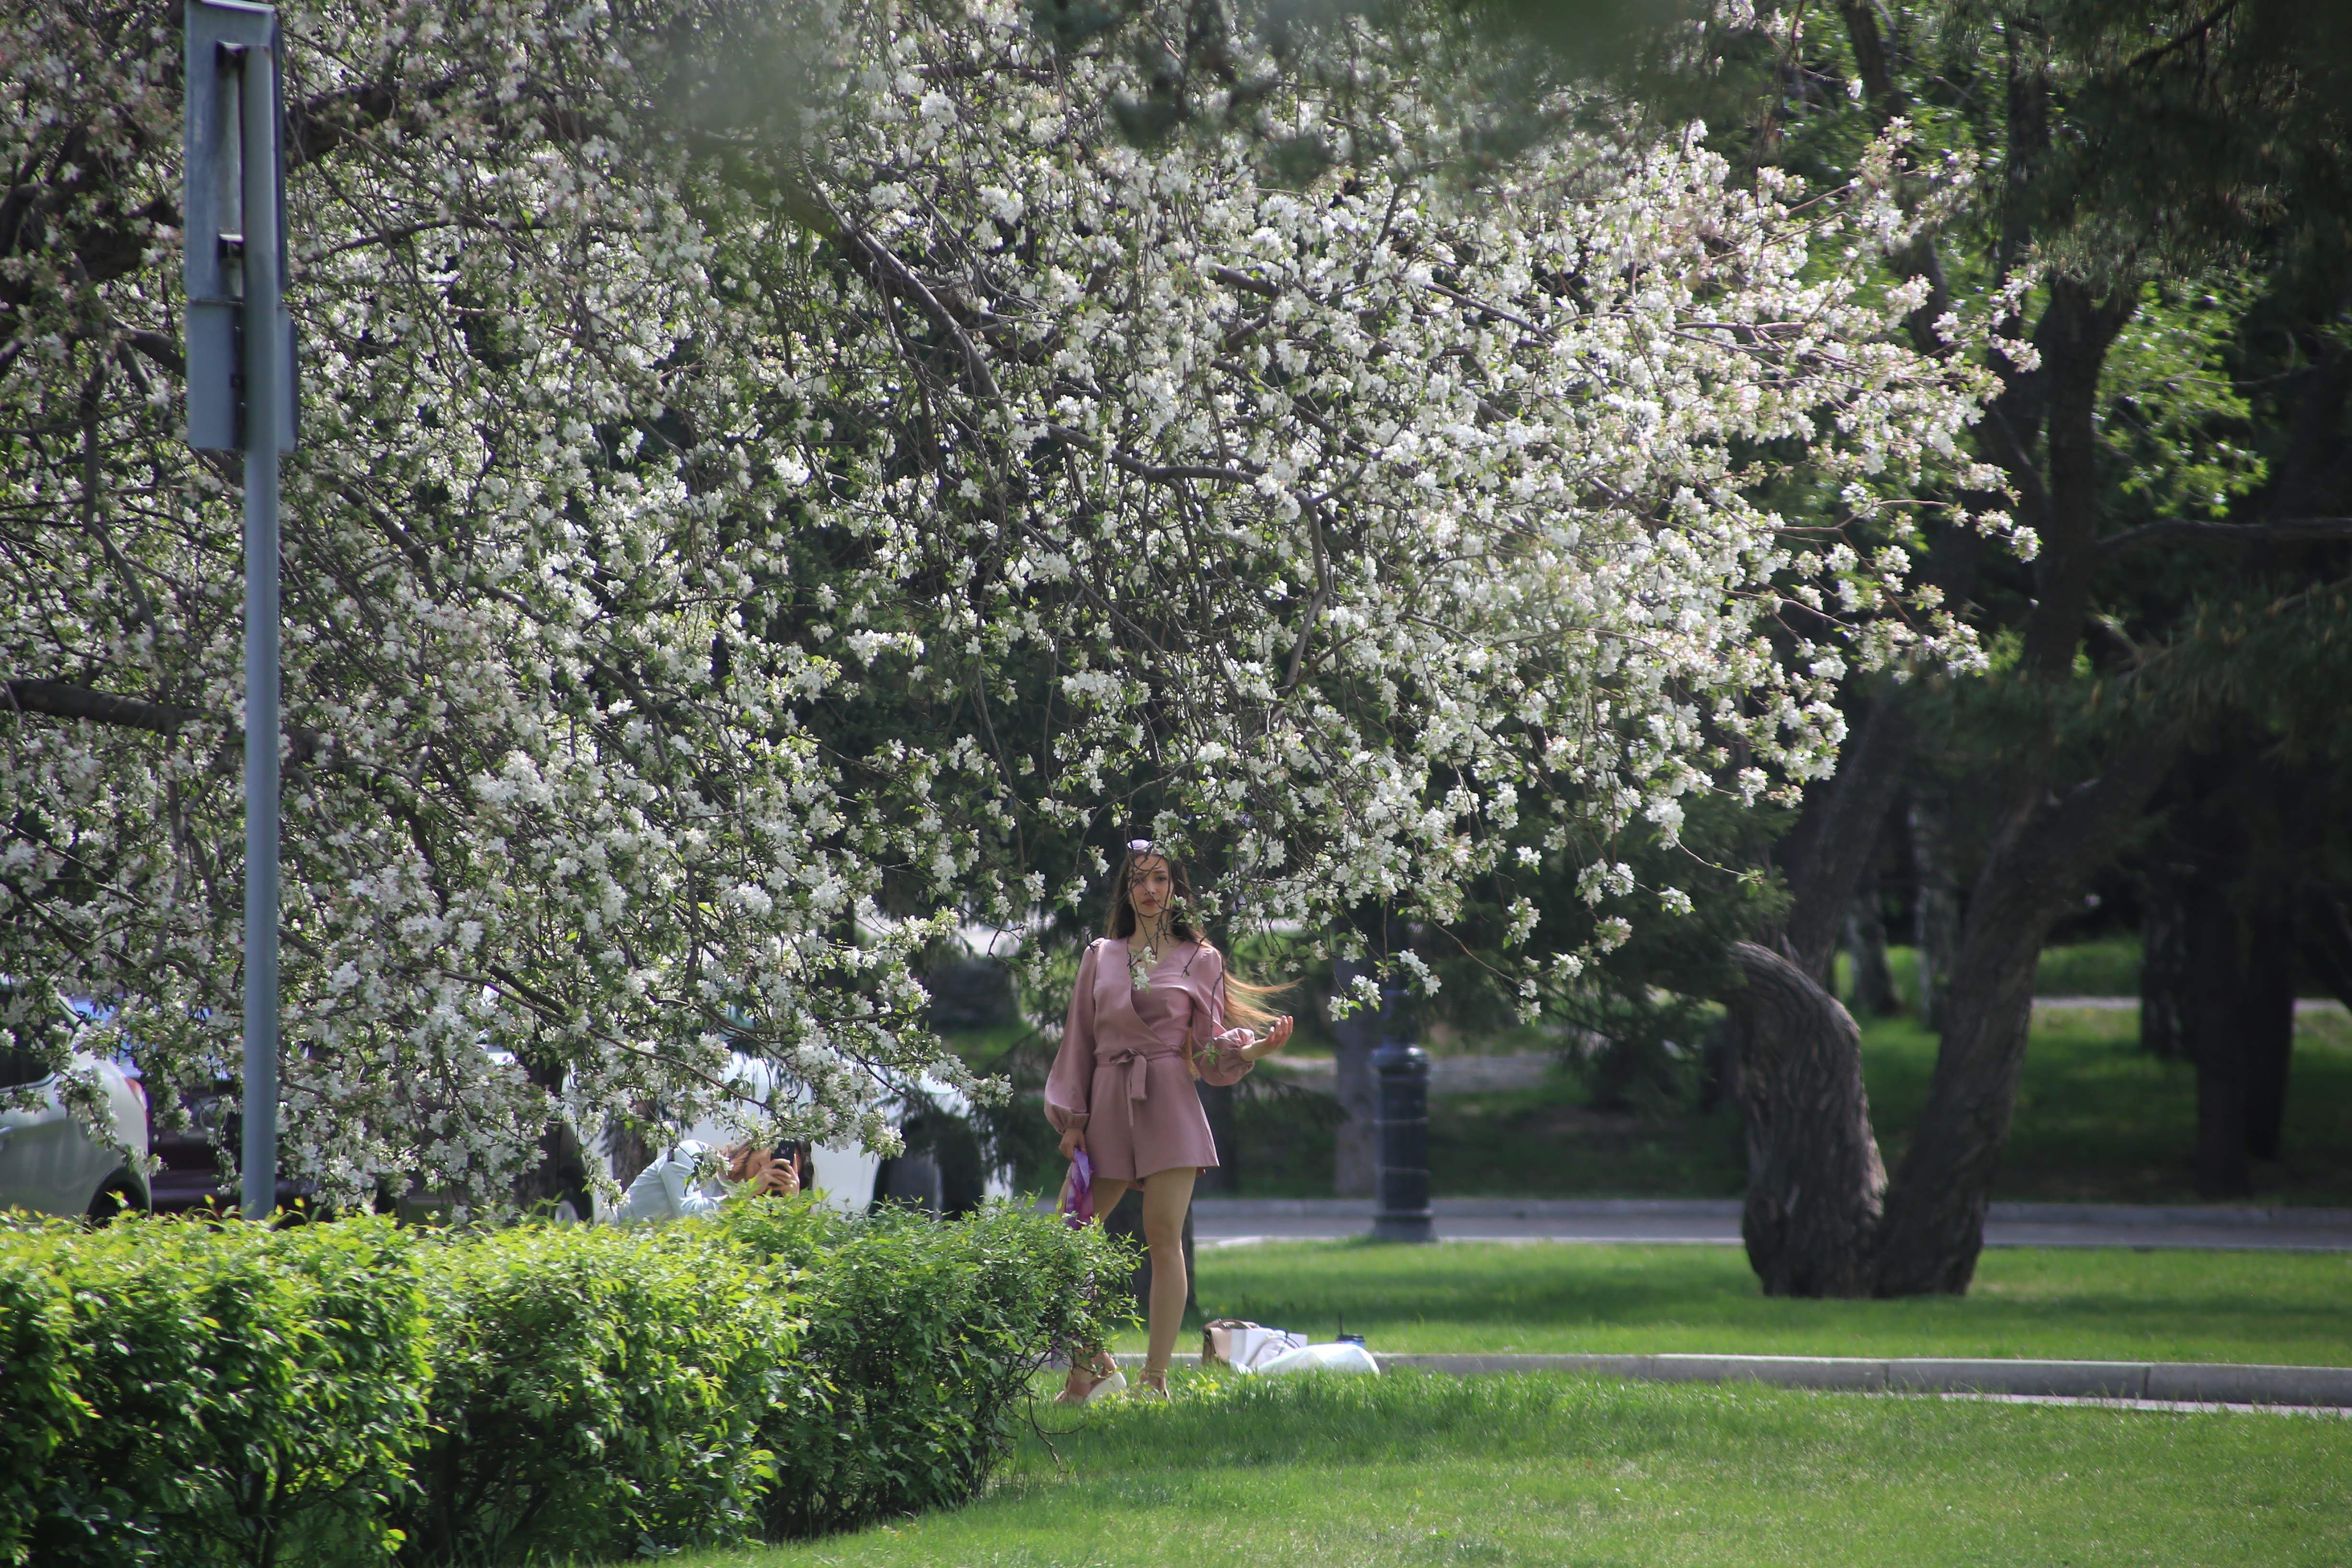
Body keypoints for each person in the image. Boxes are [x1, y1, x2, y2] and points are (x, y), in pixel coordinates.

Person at [1045, 839, 1294, 1401]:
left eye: (1160, 878)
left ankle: (1153, 1379)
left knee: (1163, 1237)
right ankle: (1090, 1364)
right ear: (1125, 888)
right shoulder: (1100, 955)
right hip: (1107, 1099)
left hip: (1169, 1102)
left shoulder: (1200, 958)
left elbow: (1206, 1049)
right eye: (1139, 879)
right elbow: (1078, 1041)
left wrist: (1253, 1050)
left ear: (1176, 888)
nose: (1150, 889)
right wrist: (1073, 1118)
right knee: (1068, 1233)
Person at [615, 1138, 799, 1224]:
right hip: (617, 1247)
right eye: (773, 1153)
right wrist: (748, 1191)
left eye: (784, 1165)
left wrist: (791, 1205)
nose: (771, 1164)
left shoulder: (745, 1209)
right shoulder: (693, 1154)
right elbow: (689, 1215)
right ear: (759, 1143)